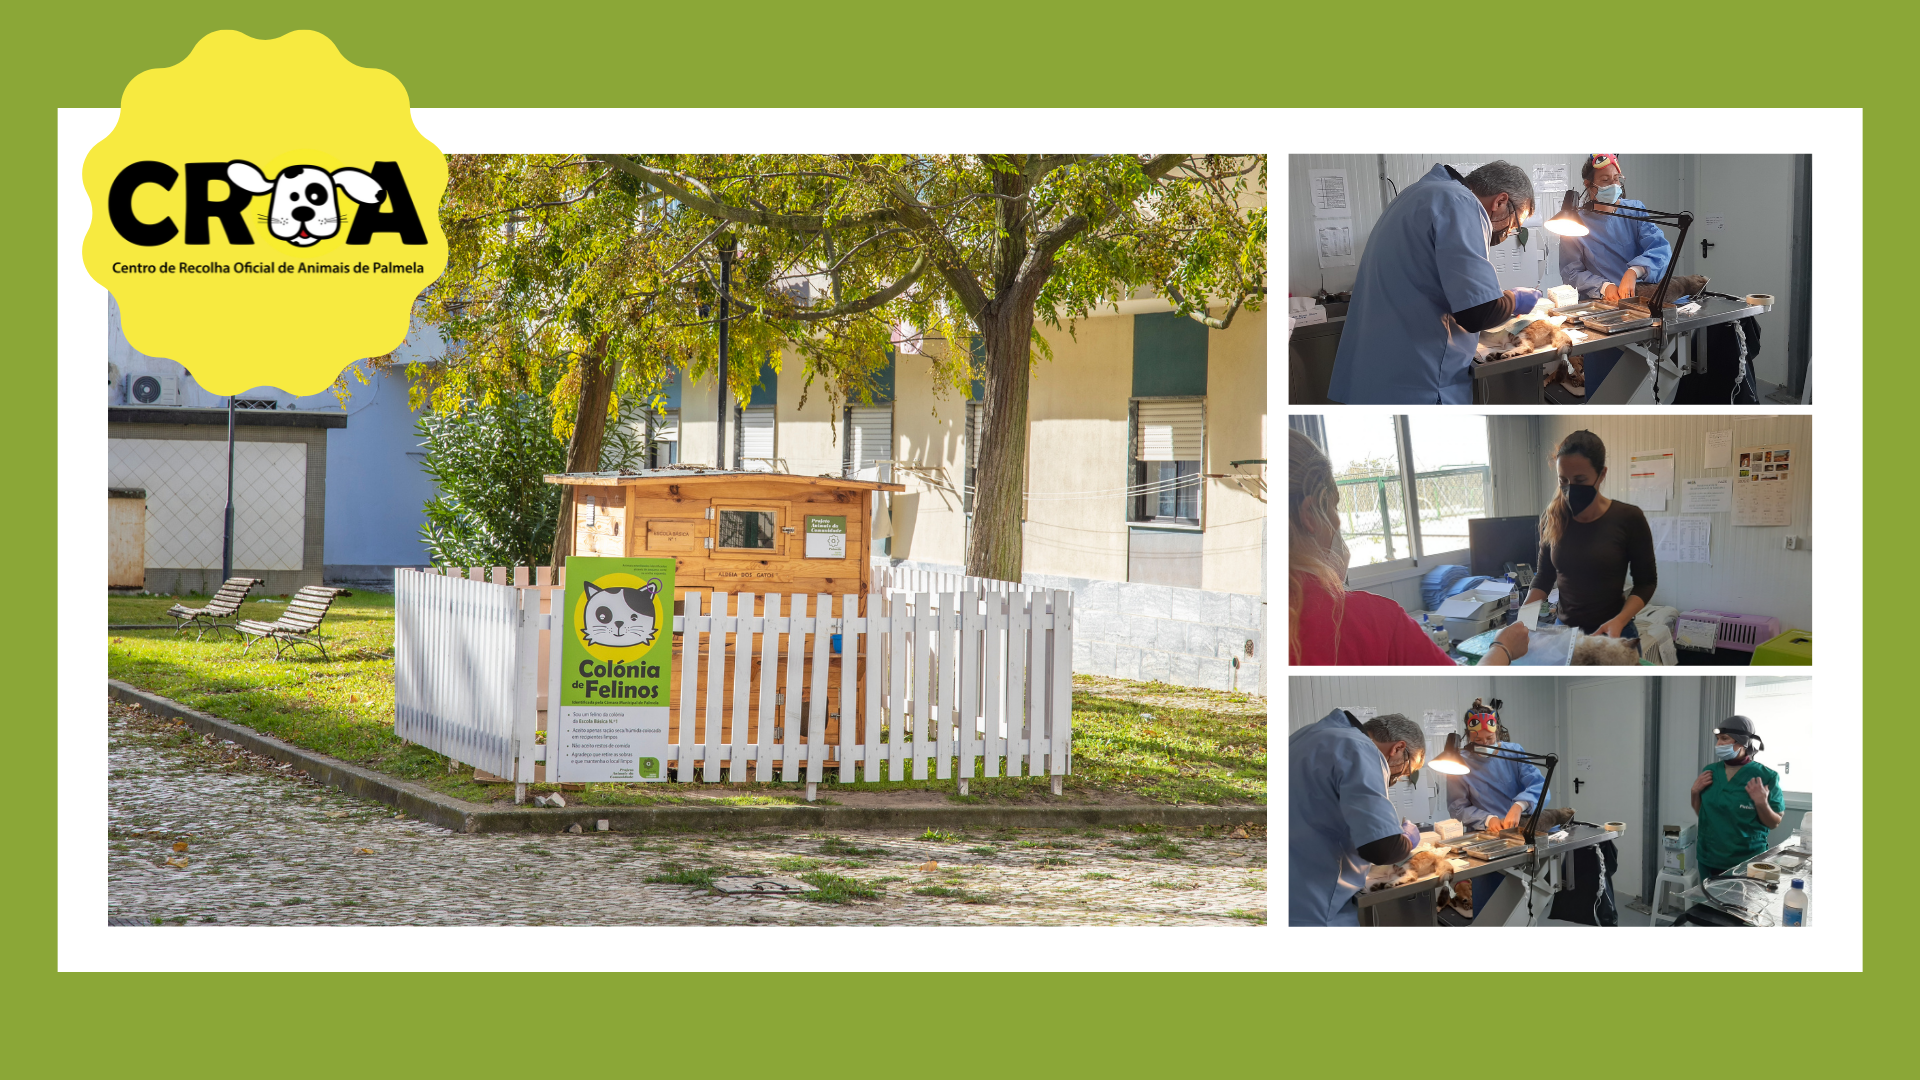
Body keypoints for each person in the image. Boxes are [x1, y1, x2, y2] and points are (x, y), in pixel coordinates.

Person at [1290, 430, 1530, 666]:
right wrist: (1504, 648)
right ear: (1310, 514)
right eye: (1335, 507)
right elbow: (1471, 695)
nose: (1338, 522)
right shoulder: (1375, 620)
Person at [1328, 161, 1543, 405]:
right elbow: (1478, 313)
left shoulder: (1419, 195)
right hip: (1418, 382)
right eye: (1513, 224)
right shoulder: (1461, 205)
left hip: (1377, 375)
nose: (1507, 232)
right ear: (1500, 201)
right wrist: (1515, 300)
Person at [1290, 710, 1427, 926]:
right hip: (1318, 905)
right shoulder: (1361, 749)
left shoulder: (1305, 736)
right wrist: (1408, 839)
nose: (1398, 777)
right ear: (1398, 748)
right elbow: (1382, 848)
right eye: (1405, 771)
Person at [1444, 700, 1574, 921]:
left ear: (1498, 734)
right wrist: (1488, 819)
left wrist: (1519, 804)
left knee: (1523, 906)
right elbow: (1457, 807)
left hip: (1520, 832)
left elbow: (1538, 785)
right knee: (1491, 910)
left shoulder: (1514, 752)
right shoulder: (1459, 762)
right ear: (1468, 736)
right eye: (1477, 740)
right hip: (1485, 834)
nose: (1484, 744)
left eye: (1490, 739)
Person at [1557, 154, 1674, 393]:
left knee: (1648, 383)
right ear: (1589, 185)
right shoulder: (1574, 221)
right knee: (1607, 389)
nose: (1612, 185)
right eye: (1604, 180)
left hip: (1639, 306)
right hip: (1602, 312)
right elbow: (1571, 272)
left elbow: (1660, 249)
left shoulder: (1634, 211)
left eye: (1616, 179)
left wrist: (1634, 270)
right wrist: (1604, 286)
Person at [1523, 429, 1656, 638]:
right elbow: (1543, 577)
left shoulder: (1629, 518)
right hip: (1566, 635)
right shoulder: (1552, 518)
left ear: (1602, 474)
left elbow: (1646, 582)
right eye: (1563, 481)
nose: (1570, 489)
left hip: (1615, 632)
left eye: (1580, 479)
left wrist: (1620, 620)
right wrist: (1523, 619)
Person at [1691, 715, 1785, 877]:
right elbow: (1703, 813)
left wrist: (1761, 803)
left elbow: (1774, 823)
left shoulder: (1766, 776)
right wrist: (1694, 792)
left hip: (1746, 861)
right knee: (1706, 902)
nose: (1718, 744)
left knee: (1738, 902)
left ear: (1742, 742)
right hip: (1709, 857)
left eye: (1724, 739)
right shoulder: (1710, 771)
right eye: (1718, 739)